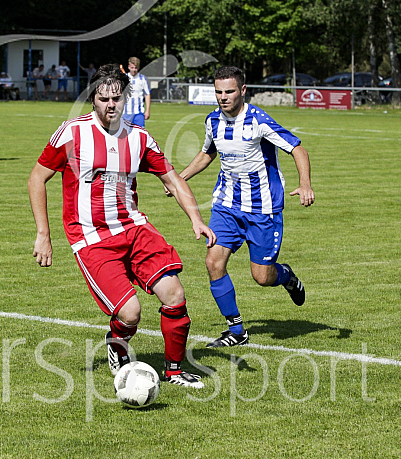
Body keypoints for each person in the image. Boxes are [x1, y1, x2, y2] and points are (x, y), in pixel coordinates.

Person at [28, 64, 216, 388]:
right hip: (91, 237)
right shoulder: (72, 133)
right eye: (103, 99)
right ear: (92, 98)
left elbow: (172, 178)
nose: (111, 105)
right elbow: (37, 178)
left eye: (117, 98)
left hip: (134, 227)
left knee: (174, 293)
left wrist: (196, 218)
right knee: (130, 313)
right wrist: (44, 235)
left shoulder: (139, 138)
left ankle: (173, 371)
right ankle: (118, 342)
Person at [169, 65, 315, 348]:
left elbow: (297, 148)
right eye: (219, 92)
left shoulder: (259, 120)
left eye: (229, 91)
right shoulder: (213, 121)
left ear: (243, 91)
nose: (223, 97)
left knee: (262, 277)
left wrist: (305, 183)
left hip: (263, 210)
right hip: (226, 207)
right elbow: (208, 153)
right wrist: (178, 179)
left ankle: (286, 277)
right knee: (213, 262)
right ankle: (236, 330)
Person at [122, 56, 151, 127]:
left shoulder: (142, 78)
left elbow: (147, 94)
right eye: (132, 68)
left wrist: (147, 110)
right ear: (128, 67)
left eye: (136, 68)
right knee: (124, 135)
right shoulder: (123, 78)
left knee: (140, 135)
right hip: (125, 113)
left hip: (138, 113)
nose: (134, 70)